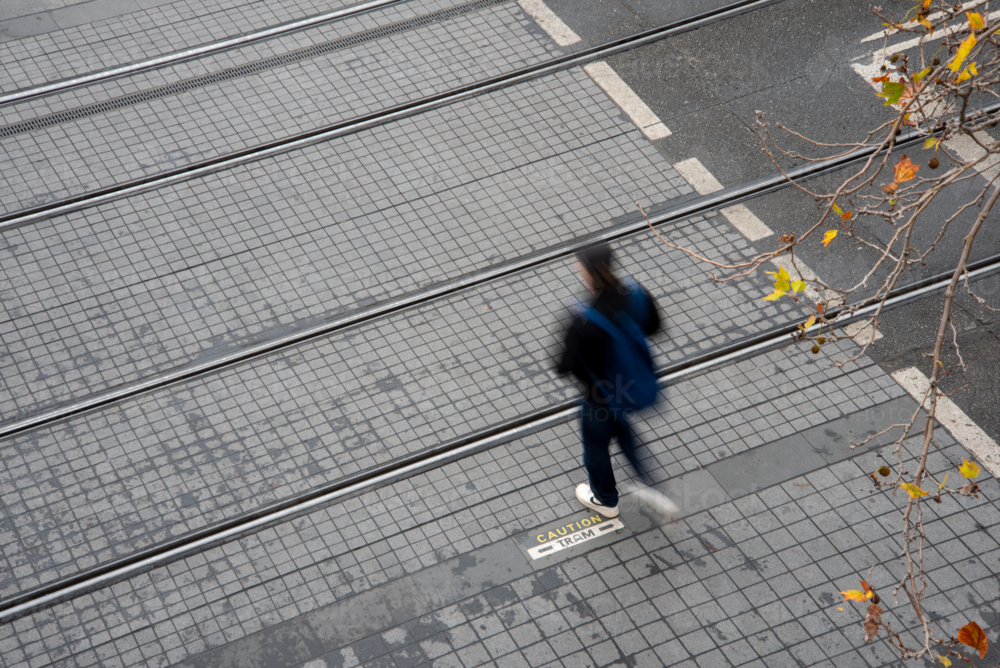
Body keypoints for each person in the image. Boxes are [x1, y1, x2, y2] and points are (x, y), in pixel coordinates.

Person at [555, 242, 677, 519]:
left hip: (599, 396)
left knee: (596, 446)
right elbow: (655, 328)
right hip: (631, 386)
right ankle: (652, 486)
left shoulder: (581, 320)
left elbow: (563, 367)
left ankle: (605, 500)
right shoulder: (637, 294)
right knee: (622, 430)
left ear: (587, 274)